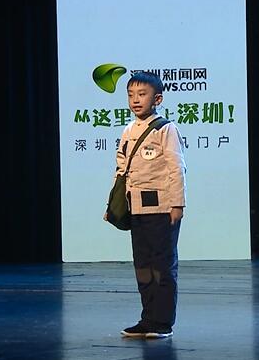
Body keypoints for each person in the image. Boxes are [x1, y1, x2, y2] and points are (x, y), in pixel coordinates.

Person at [104, 71, 187, 339]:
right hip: (136, 208)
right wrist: (113, 205)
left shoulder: (166, 129)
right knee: (143, 265)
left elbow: (176, 168)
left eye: (142, 94)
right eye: (131, 95)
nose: (136, 100)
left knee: (162, 265)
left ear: (157, 99)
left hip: (162, 208)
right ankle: (147, 319)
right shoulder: (128, 130)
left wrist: (177, 204)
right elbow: (121, 171)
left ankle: (162, 322)